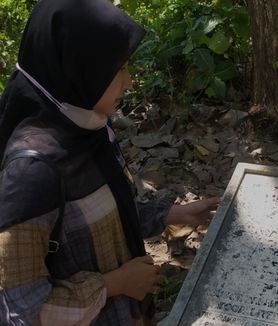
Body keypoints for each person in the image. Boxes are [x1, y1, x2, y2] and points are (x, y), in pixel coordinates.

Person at [0, 0, 220, 324]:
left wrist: (174, 215)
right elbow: (19, 309)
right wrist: (115, 283)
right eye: (118, 69)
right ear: (79, 67)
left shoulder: (86, 126)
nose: (129, 82)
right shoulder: (32, 173)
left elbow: (105, 217)